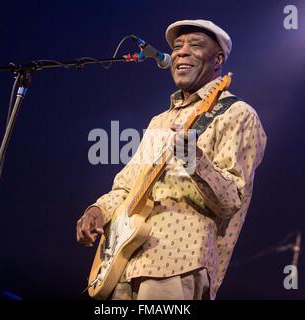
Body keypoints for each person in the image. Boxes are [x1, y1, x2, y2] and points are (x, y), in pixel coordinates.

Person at [76, 19, 267, 300]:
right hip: (124, 265)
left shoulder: (237, 114)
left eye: (196, 45)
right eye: (177, 47)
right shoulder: (160, 121)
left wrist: (194, 158)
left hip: (178, 263)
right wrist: (98, 211)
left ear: (218, 59)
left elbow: (230, 201)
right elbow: (127, 188)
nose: (182, 52)